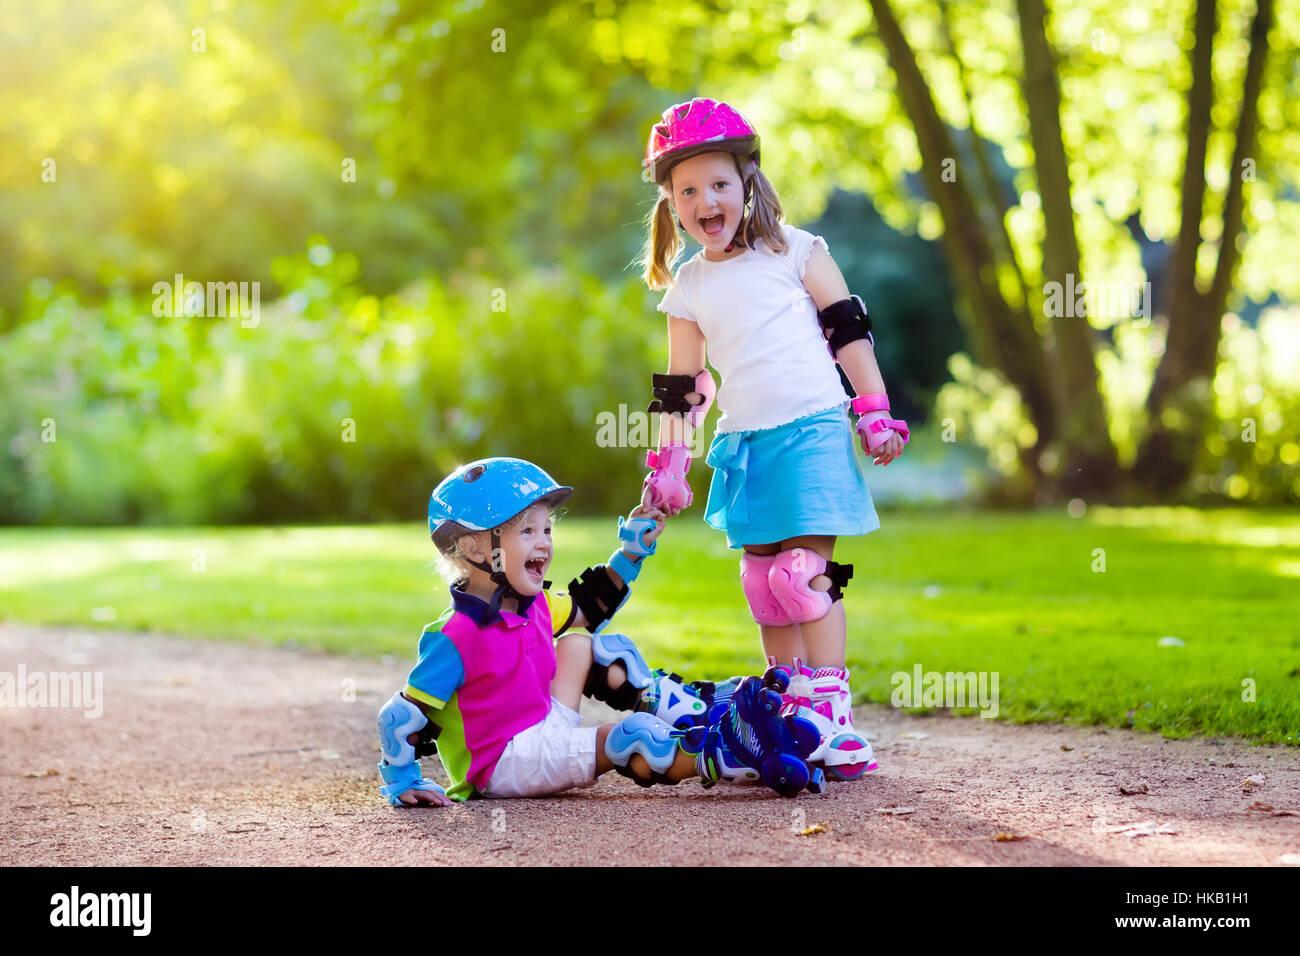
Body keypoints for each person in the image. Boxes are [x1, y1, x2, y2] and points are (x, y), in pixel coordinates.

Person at [636, 97, 911, 782]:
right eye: (689, 190)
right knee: (764, 584)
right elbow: (683, 386)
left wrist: (872, 411)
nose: (707, 200)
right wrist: (670, 464)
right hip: (746, 444)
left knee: (803, 576)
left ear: (748, 181)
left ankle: (834, 714)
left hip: (814, 429)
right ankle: (786, 704)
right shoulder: (690, 286)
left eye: (719, 184)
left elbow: (847, 330)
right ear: (671, 203)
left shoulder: (799, 249)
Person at [376, 457, 827, 806]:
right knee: (632, 736)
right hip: (505, 764)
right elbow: (400, 717)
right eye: (526, 531)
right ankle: (727, 751)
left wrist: (631, 552)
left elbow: (588, 607)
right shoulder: (456, 636)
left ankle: (696, 712)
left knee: (583, 642)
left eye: (547, 529)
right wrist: (402, 781)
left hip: (541, 725)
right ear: (475, 547)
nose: (544, 542)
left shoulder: (533, 604)